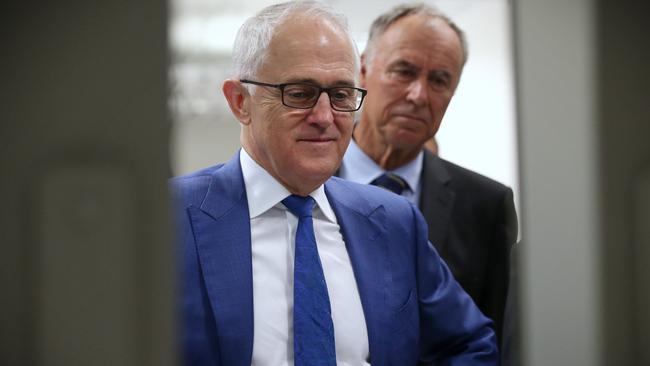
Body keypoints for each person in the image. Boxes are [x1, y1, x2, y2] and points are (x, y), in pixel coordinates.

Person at [172, 1, 498, 365]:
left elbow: (471, 345)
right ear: (239, 101)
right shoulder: (168, 217)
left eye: (341, 95)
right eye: (299, 93)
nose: (325, 117)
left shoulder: (393, 222)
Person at [338, 3, 518, 345]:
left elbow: (494, 337)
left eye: (439, 80)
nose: (419, 95)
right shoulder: (304, 181)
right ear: (363, 71)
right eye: (403, 71)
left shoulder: (486, 205)